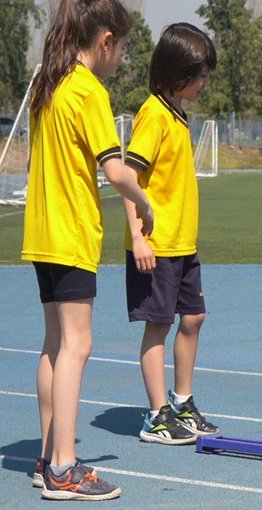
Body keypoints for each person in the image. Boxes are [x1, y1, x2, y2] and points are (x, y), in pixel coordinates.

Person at [22, 0, 154, 500]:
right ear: (105, 40)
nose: (121, 58)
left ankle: (47, 457)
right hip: (71, 232)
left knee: (54, 345)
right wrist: (145, 203)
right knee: (77, 344)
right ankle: (63, 468)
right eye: (121, 48)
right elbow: (116, 170)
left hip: (40, 233)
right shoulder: (88, 91)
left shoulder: (47, 84)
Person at [122, 23, 219, 445]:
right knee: (157, 326)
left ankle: (182, 402)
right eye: (200, 75)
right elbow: (128, 178)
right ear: (178, 74)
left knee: (193, 317)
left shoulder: (176, 115)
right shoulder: (153, 115)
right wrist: (138, 238)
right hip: (156, 247)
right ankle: (156, 416)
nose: (205, 83)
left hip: (183, 244)